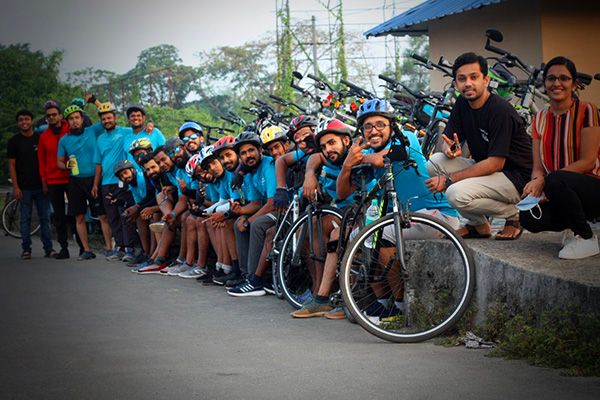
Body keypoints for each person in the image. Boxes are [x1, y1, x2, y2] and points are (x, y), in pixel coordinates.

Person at [425, 52, 532, 240]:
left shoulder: (500, 111)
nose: (468, 83)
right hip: (490, 173)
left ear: (486, 80)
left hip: (516, 178)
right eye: (462, 78)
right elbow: (448, 140)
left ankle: (514, 214)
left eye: (474, 77)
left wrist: (449, 179)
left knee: (455, 193)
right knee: (435, 162)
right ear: (456, 84)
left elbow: (496, 163)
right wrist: (449, 150)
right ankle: (479, 225)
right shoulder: (462, 103)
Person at [520, 56, 600, 259]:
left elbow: (588, 161)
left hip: (592, 188)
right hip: (558, 188)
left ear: (574, 84)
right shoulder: (539, 118)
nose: (557, 83)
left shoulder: (587, 111)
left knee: (556, 179)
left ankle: (587, 238)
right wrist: (536, 183)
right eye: (551, 78)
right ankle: (571, 227)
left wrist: (546, 182)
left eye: (564, 78)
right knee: (528, 216)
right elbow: (538, 167)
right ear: (544, 83)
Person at [57, 105, 112, 260]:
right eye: (71, 119)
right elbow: (59, 162)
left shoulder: (92, 131)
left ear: (82, 119)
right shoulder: (64, 140)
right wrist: (67, 165)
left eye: (77, 118)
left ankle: (109, 247)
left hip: (95, 179)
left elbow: (107, 115)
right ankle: (87, 250)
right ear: (67, 122)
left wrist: (95, 102)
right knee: (79, 217)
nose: (74, 121)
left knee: (103, 215)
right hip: (75, 180)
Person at [92, 102, 137, 262]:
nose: (106, 121)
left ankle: (130, 248)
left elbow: (140, 129)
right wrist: (95, 184)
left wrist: (150, 126)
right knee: (112, 217)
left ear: (115, 118)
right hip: (106, 183)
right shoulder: (100, 139)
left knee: (124, 215)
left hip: (122, 181)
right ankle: (120, 246)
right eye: (103, 119)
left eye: (109, 117)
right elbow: (98, 163)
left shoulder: (125, 132)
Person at [38, 100, 82, 258]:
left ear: (60, 115)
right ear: (46, 118)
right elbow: (41, 161)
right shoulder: (43, 137)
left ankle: (83, 247)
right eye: (49, 116)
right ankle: (64, 247)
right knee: (58, 216)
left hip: (72, 177)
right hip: (53, 180)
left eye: (54, 115)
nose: (52, 118)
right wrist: (44, 182)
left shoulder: (70, 128)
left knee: (75, 213)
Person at [7, 109, 55, 259]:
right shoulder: (14, 141)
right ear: (18, 123)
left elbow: (47, 161)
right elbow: (12, 166)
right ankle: (26, 249)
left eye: (27, 119)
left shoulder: (40, 138)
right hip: (24, 187)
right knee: (24, 218)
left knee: (45, 218)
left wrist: (46, 182)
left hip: (41, 186)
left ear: (32, 121)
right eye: (21, 120)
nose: (24, 122)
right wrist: (16, 187)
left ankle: (49, 249)